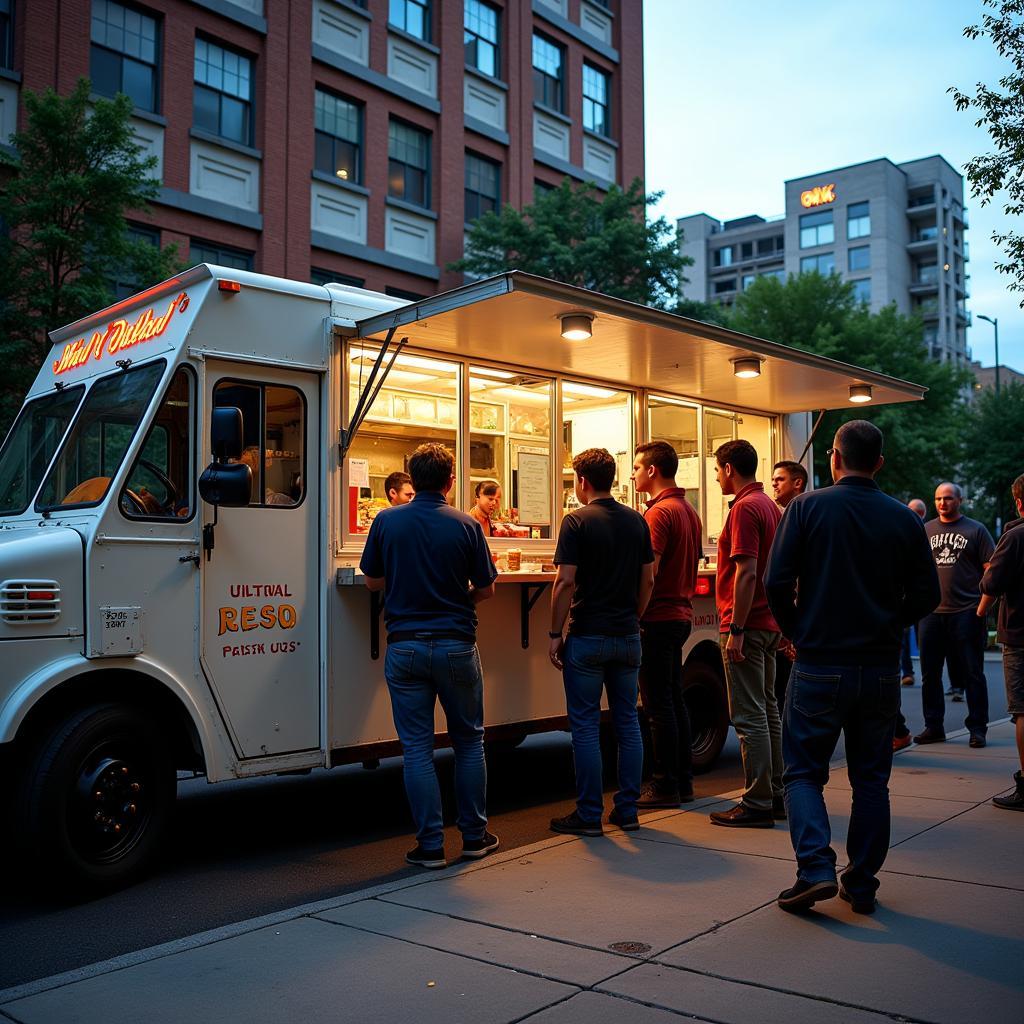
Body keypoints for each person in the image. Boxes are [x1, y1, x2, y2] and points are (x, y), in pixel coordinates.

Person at [765, 421, 939, 913]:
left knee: (802, 772)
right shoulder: (904, 519)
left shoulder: (805, 508)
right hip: (880, 667)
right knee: (870, 780)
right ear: (878, 463)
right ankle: (860, 883)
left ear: (834, 458)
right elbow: (927, 596)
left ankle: (815, 867)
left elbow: (776, 583)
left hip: (820, 661)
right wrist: (889, 624)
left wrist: (799, 631)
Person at [359, 442, 498, 868]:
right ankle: (474, 837)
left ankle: (431, 846)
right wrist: (461, 601)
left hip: (405, 648)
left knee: (417, 748)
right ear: (451, 481)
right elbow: (487, 587)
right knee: (469, 742)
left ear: (411, 480)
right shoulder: (467, 525)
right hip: (457, 644)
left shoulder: (386, 521)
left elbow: (371, 582)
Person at [548, 448, 655, 836]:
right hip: (627, 636)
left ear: (582, 482)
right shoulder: (637, 521)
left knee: (586, 727)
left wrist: (554, 633)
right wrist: (635, 617)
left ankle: (589, 814)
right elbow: (649, 581)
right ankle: (627, 810)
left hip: (588, 637)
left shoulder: (575, 521)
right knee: (628, 723)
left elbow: (564, 582)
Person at [709, 439, 783, 828]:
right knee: (769, 710)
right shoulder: (770, 505)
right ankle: (777, 793)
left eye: (718, 470)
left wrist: (735, 628)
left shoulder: (744, 508)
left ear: (729, 470)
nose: (717, 476)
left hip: (748, 625)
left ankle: (756, 802)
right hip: (768, 623)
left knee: (749, 714)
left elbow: (747, 571)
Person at [630, 441, 703, 808]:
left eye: (637, 467)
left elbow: (649, 573)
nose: (633, 474)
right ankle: (683, 781)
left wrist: (635, 613)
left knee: (658, 706)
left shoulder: (658, 514)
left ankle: (663, 785)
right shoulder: (688, 510)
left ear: (653, 471)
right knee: (674, 700)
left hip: (657, 617)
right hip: (681, 615)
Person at [914, 482, 995, 748]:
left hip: (966, 611)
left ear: (959, 500)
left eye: (948, 498)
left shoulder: (976, 530)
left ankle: (978, 728)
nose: (942, 503)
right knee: (930, 674)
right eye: (938, 498)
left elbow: (991, 570)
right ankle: (933, 726)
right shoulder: (925, 530)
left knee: (973, 672)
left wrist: (981, 607)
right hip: (931, 613)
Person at [979, 473, 1024, 810]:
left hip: (1020, 634)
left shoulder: (1015, 537)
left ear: (1019, 501)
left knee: (1023, 711)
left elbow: (991, 583)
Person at [770, 460, 808, 711]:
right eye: (773, 479)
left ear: (798, 483)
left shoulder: (801, 513)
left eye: (780, 479)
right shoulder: (785, 513)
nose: (774, 483)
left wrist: (792, 630)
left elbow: (781, 579)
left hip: (802, 620)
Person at [899, 498, 928, 687]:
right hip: (903, 594)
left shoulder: (927, 532)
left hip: (920, 593)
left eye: (918, 512)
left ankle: (923, 672)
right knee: (903, 637)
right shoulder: (900, 530)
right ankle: (907, 672)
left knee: (922, 637)